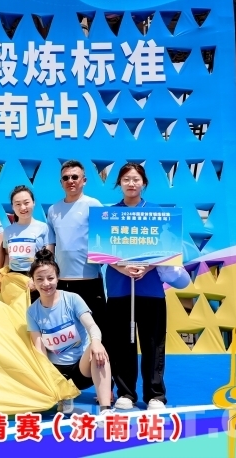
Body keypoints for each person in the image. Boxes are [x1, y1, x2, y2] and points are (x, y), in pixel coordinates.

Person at [103, 163, 170, 411]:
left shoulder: (157, 213)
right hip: (119, 287)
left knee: (153, 342)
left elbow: (167, 248)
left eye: (136, 179)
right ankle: (126, 393)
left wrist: (147, 268)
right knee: (122, 342)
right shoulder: (109, 215)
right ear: (119, 183)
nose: (131, 184)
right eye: (126, 179)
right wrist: (121, 268)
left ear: (144, 183)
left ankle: (155, 395)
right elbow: (100, 250)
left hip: (150, 288)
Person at [27, 249, 113, 415]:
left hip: (81, 370)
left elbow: (92, 326)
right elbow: (40, 350)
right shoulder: (32, 311)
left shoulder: (73, 299)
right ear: (33, 281)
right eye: (40, 279)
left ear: (58, 278)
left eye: (50, 278)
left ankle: (105, 410)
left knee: (98, 350)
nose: (46, 283)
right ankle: (63, 395)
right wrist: (50, 379)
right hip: (56, 373)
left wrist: (96, 342)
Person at [46, 160, 106, 323]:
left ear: (84, 180)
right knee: (66, 328)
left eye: (75, 177)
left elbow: (105, 240)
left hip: (90, 279)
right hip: (62, 280)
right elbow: (51, 244)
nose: (70, 181)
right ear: (61, 182)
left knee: (95, 327)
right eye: (66, 178)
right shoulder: (53, 210)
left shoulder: (94, 205)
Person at [0, 185, 49, 299]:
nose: (23, 207)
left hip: (35, 279)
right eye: (17, 204)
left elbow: (48, 257)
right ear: (12, 207)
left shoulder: (43, 228)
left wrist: (37, 278)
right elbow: (7, 255)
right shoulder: (8, 231)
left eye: (26, 203)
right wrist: (2, 277)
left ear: (33, 203)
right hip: (13, 280)